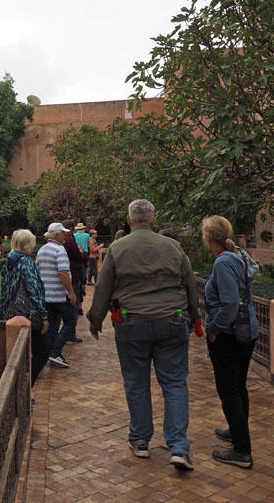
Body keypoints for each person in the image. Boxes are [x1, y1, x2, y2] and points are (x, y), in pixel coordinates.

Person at [87, 199, 199, 472]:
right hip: (171, 321)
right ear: (153, 218)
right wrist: (195, 316)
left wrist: (95, 319)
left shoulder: (117, 248)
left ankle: (140, 440)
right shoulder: (173, 247)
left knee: (136, 381)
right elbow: (189, 284)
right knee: (174, 383)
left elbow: (103, 287)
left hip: (131, 322)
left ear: (129, 220)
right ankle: (179, 447)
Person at [201, 215, 258, 470]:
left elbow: (230, 303)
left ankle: (242, 451)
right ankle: (237, 431)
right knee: (238, 386)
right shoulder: (240, 255)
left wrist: (213, 329)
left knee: (229, 390)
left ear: (209, 237)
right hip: (247, 331)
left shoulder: (224, 262)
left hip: (229, 334)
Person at [0, 229, 49, 386]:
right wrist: (44, 315)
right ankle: (23, 387)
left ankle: (21, 387)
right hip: (27, 314)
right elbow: (34, 290)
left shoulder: (10, 261)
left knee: (19, 353)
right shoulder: (26, 262)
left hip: (11, 313)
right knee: (43, 351)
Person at [36, 223, 78, 368]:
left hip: (46, 297)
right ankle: (55, 352)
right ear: (56, 234)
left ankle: (50, 354)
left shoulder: (42, 250)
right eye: (63, 233)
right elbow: (63, 272)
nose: (65, 235)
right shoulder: (59, 249)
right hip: (60, 297)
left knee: (53, 326)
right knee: (70, 322)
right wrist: (71, 293)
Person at [61, 219, 86, 317]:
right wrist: (82, 252)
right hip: (74, 271)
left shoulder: (62, 240)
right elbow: (79, 257)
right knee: (75, 297)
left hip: (64, 272)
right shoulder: (71, 239)